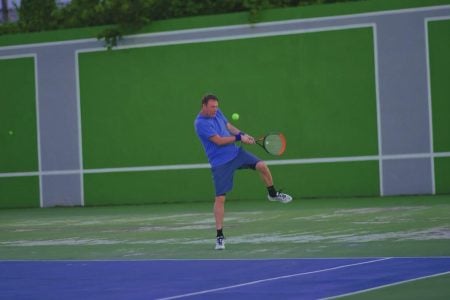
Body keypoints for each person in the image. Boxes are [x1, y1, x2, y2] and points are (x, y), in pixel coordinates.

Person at [194, 94, 293, 250]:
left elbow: (229, 126)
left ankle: (273, 194)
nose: (215, 109)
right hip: (220, 163)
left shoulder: (217, 113)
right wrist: (239, 138)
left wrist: (244, 134)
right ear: (204, 106)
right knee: (220, 199)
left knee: (262, 165)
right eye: (212, 107)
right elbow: (219, 141)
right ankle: (219, 236)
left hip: (236, 154)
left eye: (216, 106)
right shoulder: (200, 123)